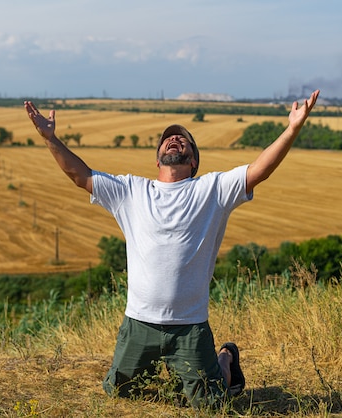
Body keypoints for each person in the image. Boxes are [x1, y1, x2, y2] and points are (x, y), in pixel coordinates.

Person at [24, 89, 320, 408]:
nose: (174, 140)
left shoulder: (212, 190)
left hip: (190, 326)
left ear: (192, 160)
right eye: (168, 139)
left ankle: (225, 358)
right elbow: (80, 175)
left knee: (211, 405)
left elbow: (258, 170)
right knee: (121, 394)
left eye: (183, 141)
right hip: (139, 321)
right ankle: (180, 374)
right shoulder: (131, 191)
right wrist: (49, 139)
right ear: (157, 158)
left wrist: (292, 128)